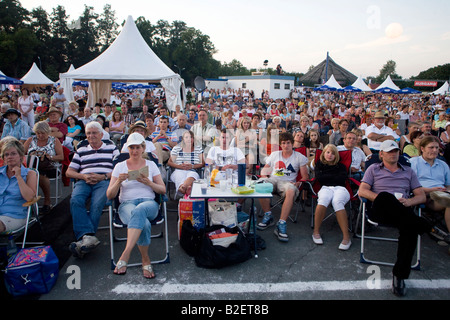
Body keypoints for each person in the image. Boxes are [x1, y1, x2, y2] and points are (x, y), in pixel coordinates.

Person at [358, 140, 445, 296]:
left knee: (410, 229)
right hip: (380, 210)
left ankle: (399, 276)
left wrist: (409, 201)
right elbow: (362, 191)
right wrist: (381, 199)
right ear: (381, 154)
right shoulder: (373, 169)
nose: (393, 153)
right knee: (386, 197)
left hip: (403, 211)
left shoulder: (408, 171)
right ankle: (427, 227)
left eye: (396, 151)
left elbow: (420, 196)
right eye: (390, 151)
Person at [106, 133, 166, 278]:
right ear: (127, 148)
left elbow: (163, 190)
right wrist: (118, 182)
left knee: (140, 209)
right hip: (127, 204)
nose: (134, 151)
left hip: (148, 203)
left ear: (143, 148)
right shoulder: (120, 166)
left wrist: (149, 183)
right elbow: (109, 195)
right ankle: (145, 260)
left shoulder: (151, 165)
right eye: (131, 147)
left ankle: (125, 254)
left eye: (137, 147)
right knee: (143, 222)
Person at [66, 121, 119, 258]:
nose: (91, 136)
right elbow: (69, 172)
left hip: (104, 181)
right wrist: (83, 176)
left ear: (101, 134)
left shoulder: (112, 148)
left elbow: (119, 169)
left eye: (94, 133)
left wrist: (103, 176)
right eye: (88, 133)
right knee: (75, 200)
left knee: (97, 204)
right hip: (84, 181)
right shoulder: (81, 150)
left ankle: (84, 239)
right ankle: (88, 238)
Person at [257, 132, 309, 242]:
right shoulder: (275, 154)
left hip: (287, 182)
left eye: (288, 143)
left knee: (291, 190)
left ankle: (281, 223)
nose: (286, 146)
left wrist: (299, 183)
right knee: (261, 184)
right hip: (273, 179)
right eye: (283, 143)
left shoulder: (299, 157)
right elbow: (264, 170)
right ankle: (268, 215)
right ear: (280, 144)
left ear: (292, 144)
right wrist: (264, 176)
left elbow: (305, 176)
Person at [410, 136, 450, 244]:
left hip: (443, 194)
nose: (435, 150)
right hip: (425, 195)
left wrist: (445, 190)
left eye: (437, 148)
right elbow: (410, 185)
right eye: (431, 147)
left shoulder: (443, 165)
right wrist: (430, 190)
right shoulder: (414, 163)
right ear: (422, 148)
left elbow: (448, 185)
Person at [311, 144, 352, 250]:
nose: (330, 155)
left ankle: (346, 238)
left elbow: (342, 179)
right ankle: (316, 232)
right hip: (325, 188)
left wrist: (327, 177)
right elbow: (320, 178)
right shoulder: (319, 164)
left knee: (337, 201)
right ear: (324, 153)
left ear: (336, 156)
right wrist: (333, 177)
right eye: (328, 152)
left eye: (333, 153)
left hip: (341, 188)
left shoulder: (341, 166)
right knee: (323, 200)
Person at [24, 121, 64, 214]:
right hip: (32, 167)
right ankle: (29, 201)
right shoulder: (30, 140)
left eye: (43, 133)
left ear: (48, 132)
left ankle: (47, 201)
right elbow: (21, 154)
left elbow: (61, 157)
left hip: (49, 167)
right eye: (38, 133)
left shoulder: (54, 140)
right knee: (31, 175)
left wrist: (49, 157)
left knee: (39, 176)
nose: (40, 135)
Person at [0, 138, 38, 233]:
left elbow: (30, 198)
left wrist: (19, 176)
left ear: (21, 156)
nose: (9, 157)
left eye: (13, 154)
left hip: (15, 215)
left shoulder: (30, 174)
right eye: (6, 154)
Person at [168, 130, 204, 196]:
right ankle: (186, 190)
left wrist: (192, 166)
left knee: (192, 175)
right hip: (178, 170)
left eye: (191, 137)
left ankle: (183, 188)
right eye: (186, 137)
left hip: (192, 170)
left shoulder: (198, 149)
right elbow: (169, 162)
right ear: (183, 139)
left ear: (193, 139)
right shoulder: (176, 148)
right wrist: (180, 166)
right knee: (179, 175)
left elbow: (202, 163)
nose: (189, 139)